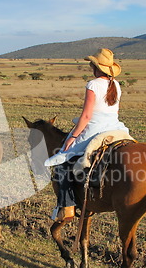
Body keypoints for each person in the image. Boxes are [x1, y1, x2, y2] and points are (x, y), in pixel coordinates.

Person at [44, 48, 129, 222]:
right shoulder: (117, 85)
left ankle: (66, 207)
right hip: (115, 126)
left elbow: (87, 116)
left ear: (96, 67)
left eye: (92, 64)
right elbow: (115, 111)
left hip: (95, 128)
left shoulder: (93, 84)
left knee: (63, 159)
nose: (91, 66)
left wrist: (73, 137)